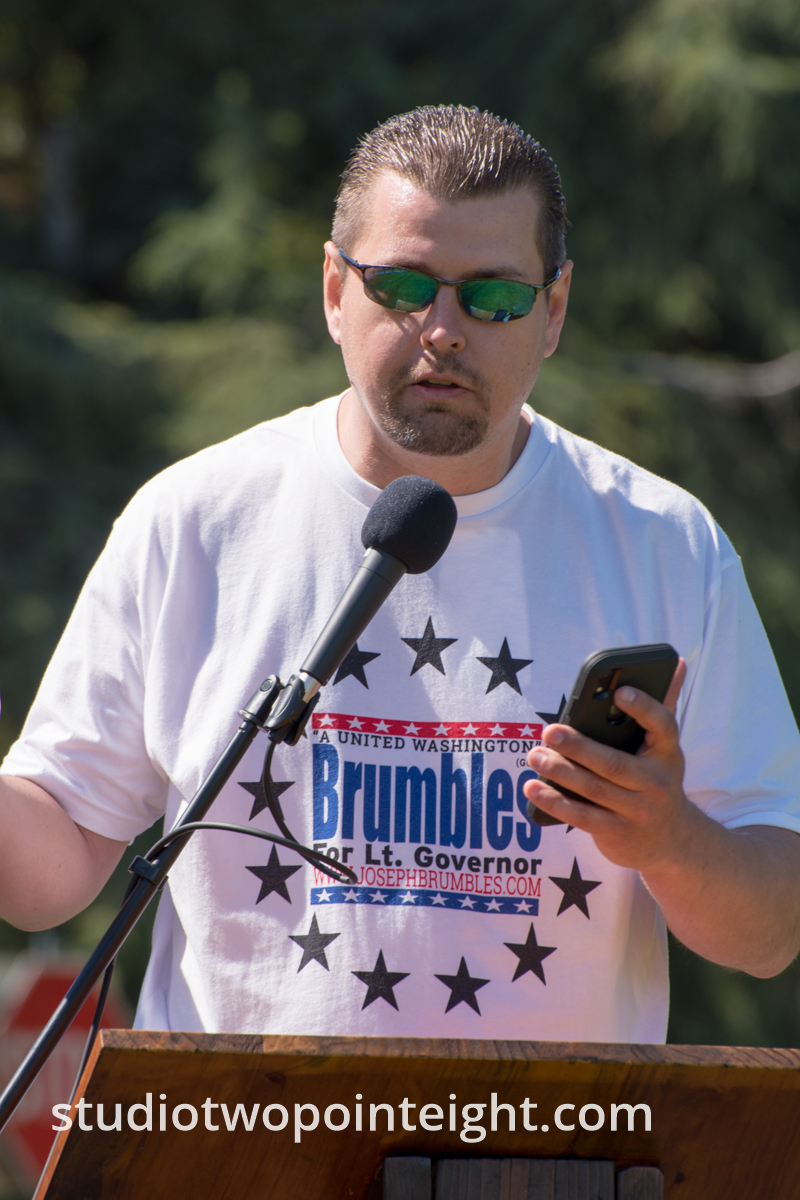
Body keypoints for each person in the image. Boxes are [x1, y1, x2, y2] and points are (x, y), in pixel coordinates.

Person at [1, 105, 799, 1043]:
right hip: (242, 1127)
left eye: (493, 296)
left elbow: (771, 931)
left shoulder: (666, 543)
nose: (443, 330)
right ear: (335, 291)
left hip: (552, 1135)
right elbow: (50, 869)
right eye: (403, 287)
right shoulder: (194, 521)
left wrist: (669, 840)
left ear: (553, 310)